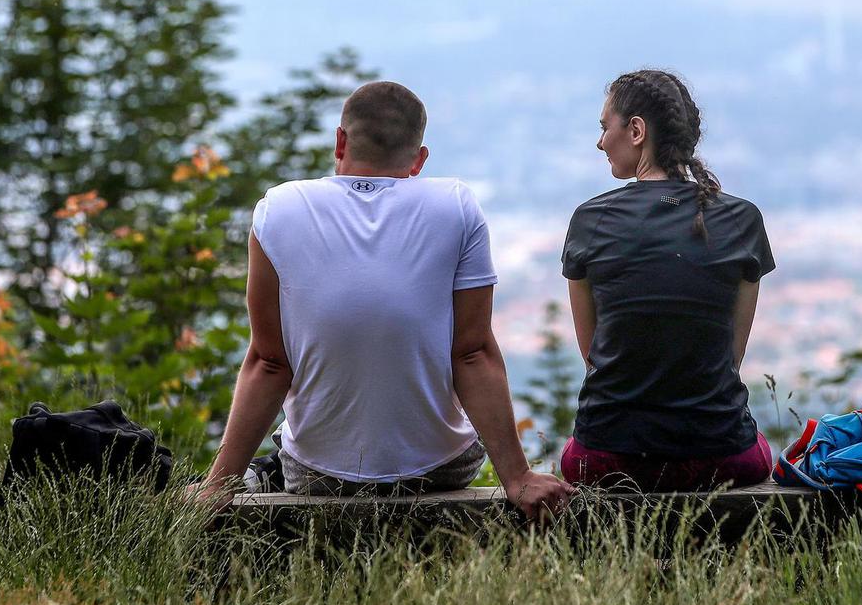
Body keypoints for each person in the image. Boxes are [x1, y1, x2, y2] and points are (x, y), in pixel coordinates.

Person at [188, 81, 574, 519]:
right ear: (419, 160)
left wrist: (217, 486)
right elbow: (472, 354)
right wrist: (518, 479)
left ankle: (255, 473)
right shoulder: (455, 206)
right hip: (440, 471)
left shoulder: (279, 210)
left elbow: (269, 363)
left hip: (318, 476)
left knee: (286, 447)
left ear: (340, 141)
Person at [559, 69, 775, 491]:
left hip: (607, 455)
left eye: (605, 128)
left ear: (636, 130)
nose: (600, 142)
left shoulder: (590, 220)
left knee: (573, 457)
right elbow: (731, 357)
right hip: (721, 454)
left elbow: (593, 356)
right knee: (761, 452)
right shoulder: (742, 220)